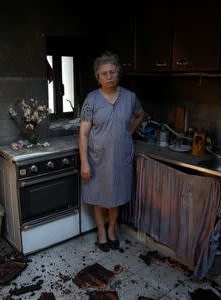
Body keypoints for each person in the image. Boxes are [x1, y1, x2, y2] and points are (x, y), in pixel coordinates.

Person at [79, 52, 145, 252]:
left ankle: (112, 231)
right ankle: (101, 232)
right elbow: (83, 134)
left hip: (121, 157)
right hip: (97, 158)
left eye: (112, 72)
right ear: (98, 77)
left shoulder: (130, 97)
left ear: (118, 73)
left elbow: (140, 115)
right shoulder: (91, 100)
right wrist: (84, 162)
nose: (109, 76)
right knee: (98, 196)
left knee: (116, 195)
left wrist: (127, 133)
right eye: (104, 74)